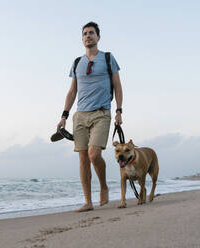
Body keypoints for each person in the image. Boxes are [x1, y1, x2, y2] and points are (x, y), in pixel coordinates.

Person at [57, 22, 123, 212]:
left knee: (94, 153)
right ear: (82, 38)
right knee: (83, 159)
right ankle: (88, 202)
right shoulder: (77, 62)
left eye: (91, 33)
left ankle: (103, 186)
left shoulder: (108, 58)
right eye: (85, 33)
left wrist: (119, 111)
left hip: (101, 113)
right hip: (80, 116)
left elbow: (118, 86)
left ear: (98, 37)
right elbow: (72, 91)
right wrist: (64, 116)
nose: (88, 36)